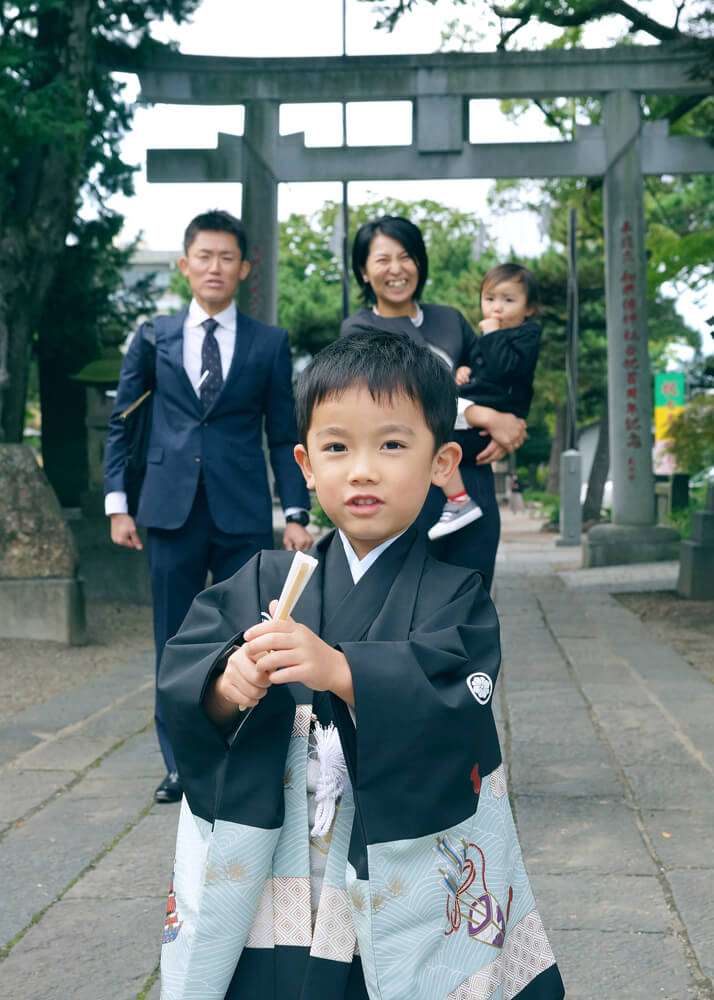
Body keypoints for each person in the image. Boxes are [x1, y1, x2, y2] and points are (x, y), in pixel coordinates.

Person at [156, 330, 565, 1000]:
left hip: (393, 860)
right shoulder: (267, 575)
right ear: (306, 464)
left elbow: (459, 697)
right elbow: (187, 672)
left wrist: (343, 672)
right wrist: (230, 683)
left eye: (393, 444)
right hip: (285, 851)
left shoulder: (454, 593)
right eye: (338, 447)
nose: (363, 470)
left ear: (443, 460)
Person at [104, 209, 312, 805]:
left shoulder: (268, 343)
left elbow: (282, 432)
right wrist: (119, 503)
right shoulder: (153, 337)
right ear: (185, 264)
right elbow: (124, 423)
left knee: (249, 633)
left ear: (244, 269)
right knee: (171, 638)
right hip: (168, 508)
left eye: (227, 257)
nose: (215, 266)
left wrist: (295, 512)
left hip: (242, 507)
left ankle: (246, 750)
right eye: (204, 256)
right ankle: (181, 765)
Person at [341, 216, 527, 590]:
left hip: (470, 480)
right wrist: (482, 414)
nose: (396, 269)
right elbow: (395, 402)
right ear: (363, 271)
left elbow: (490, 377)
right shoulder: (359, 330)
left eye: (407, 257)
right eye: (382, 260)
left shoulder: (450, 320)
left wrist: (512, 421)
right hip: (399, 490)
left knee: (470, 598)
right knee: (400, 602)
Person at [429, 262, 541, 539]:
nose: (497, 308)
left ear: (529, 308)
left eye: (508, 300)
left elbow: (504, 367)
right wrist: (465, 371)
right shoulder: (487, 336)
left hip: (494, 420)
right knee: (432, 439)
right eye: (489, 299)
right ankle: (457, 500)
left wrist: (492, 333)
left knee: (434, 445)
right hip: (480, 416)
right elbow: (483, 367)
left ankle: (458, 501)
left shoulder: (527, 336)